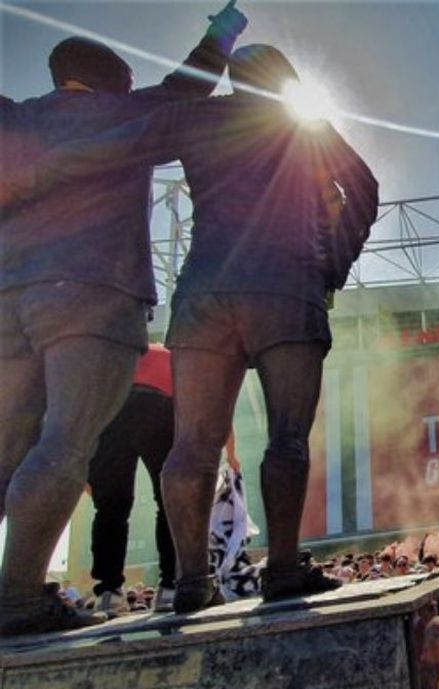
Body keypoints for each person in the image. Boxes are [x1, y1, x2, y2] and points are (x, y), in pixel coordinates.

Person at [42, 44, 379, 613]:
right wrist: (332, 265)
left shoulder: (197, 117)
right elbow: (363, 191)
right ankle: (284, 569)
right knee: (287, 437)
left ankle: (192, 582)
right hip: (286, 289)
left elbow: (125, 144)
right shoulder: (306, 127)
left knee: (192, 443)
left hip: (203, 294)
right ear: (287, 81)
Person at [0, 4, 247, 636]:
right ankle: (18, 597)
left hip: (9, 294)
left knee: (5, 451)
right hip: (92, 294)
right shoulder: (123, 112)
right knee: (66, 439)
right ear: (111, 79)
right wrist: (225, 28)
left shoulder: (16, 118)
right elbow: (189, 86)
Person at [85, 343, 177, 616]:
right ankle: (170, 587)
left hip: (108, 410)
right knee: (169, 500)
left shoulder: (103, 356)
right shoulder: (167, 355)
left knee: (110, 507)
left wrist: (86, 466)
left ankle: (109, 593)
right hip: (157, 405)